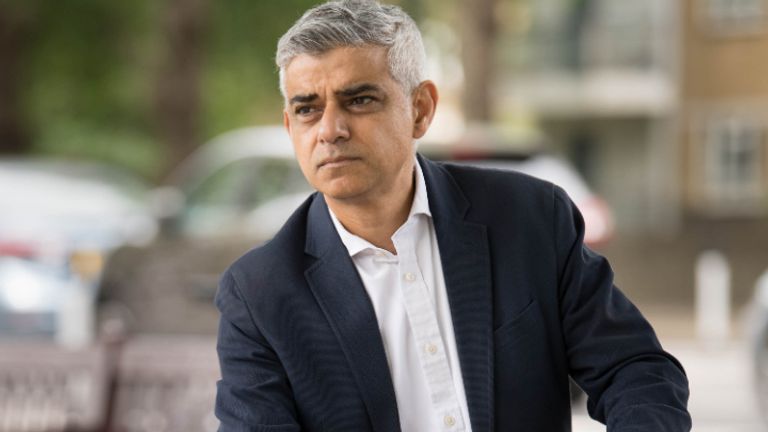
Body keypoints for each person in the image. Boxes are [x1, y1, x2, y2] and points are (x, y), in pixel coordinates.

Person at [214, 1, 692, 431]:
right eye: (307, 109)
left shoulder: (529, 219)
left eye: (359, 99)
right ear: (289, 127)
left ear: (420, 109)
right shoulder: (260, 294)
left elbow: (637, 371)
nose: (330, 129)